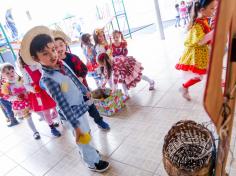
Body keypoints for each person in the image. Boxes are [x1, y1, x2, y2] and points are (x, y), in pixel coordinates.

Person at [20, 26, 110, 172]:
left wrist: (84, 90)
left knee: (87, 133)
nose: (52, 55)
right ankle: (92, 162)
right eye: (45, 53)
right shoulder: (48, 79)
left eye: (53, 49)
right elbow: (62, 105)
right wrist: (76, 126)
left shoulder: (61, 64)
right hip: (71, 116)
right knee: (82, 137)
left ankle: (89, 152)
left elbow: (74, 79)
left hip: (80, 107)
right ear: (36, 59)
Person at [53, 30, 110, 130]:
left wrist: (80, 77)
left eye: (61, 45)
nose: (59, 49)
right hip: (70, 94)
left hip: (83, 89)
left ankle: (99, 121)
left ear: (65, 45)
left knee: (91, 107)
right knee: (78, 112)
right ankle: (84, 129)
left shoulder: (73, 57)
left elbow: (84, 69)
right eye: (55, 47)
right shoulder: (55, 64)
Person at [175, 0, 217, 101]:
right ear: (202, 10)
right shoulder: (197, 24)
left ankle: (184, 87)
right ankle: (184, 87)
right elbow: (200, 41)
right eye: (212, 8)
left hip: (203, 52)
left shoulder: (204, 19)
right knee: (201, 76)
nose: (214, 10)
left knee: (205, 74)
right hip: (196, 55)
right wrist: (214, 32)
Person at [17, 56, 61, 137]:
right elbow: (26, 84)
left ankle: (60, 118)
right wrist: (33, 89)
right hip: (38, 93)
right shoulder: (24, 69)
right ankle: (52, 128)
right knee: (46, 111)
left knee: (56, 106)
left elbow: (46, 73)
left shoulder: (39, 63)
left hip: (47, 87)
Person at [0, 63, 40, 139]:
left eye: (12, 71)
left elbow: (28, 86)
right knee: (28, 118)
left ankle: (50, 124)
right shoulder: (6, 86)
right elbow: (7, 97)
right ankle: (35, 132)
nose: (10, 74)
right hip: (20, 104)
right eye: (7, 73)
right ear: (3, 75)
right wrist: (15, 97)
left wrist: (30, 90)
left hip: (30, 100)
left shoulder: (21, 79)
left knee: (39, 111)